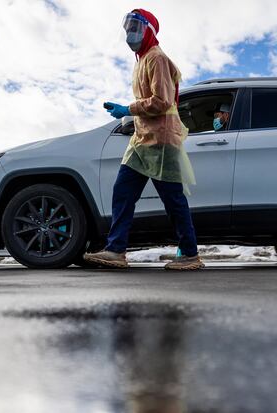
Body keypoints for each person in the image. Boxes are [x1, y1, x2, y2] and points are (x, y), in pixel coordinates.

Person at [84, 9, 203, 271]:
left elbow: (161, 101)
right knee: (122, 192)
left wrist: (128, 109)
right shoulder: (141, 61)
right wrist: (130, 115)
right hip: (142, 141)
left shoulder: (157, 59)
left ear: (149, 30)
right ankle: (116, 250)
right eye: (127, 28)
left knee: (173, 200)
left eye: (135, 27)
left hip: (160, 140)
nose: (130, 33)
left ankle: (191, 255)